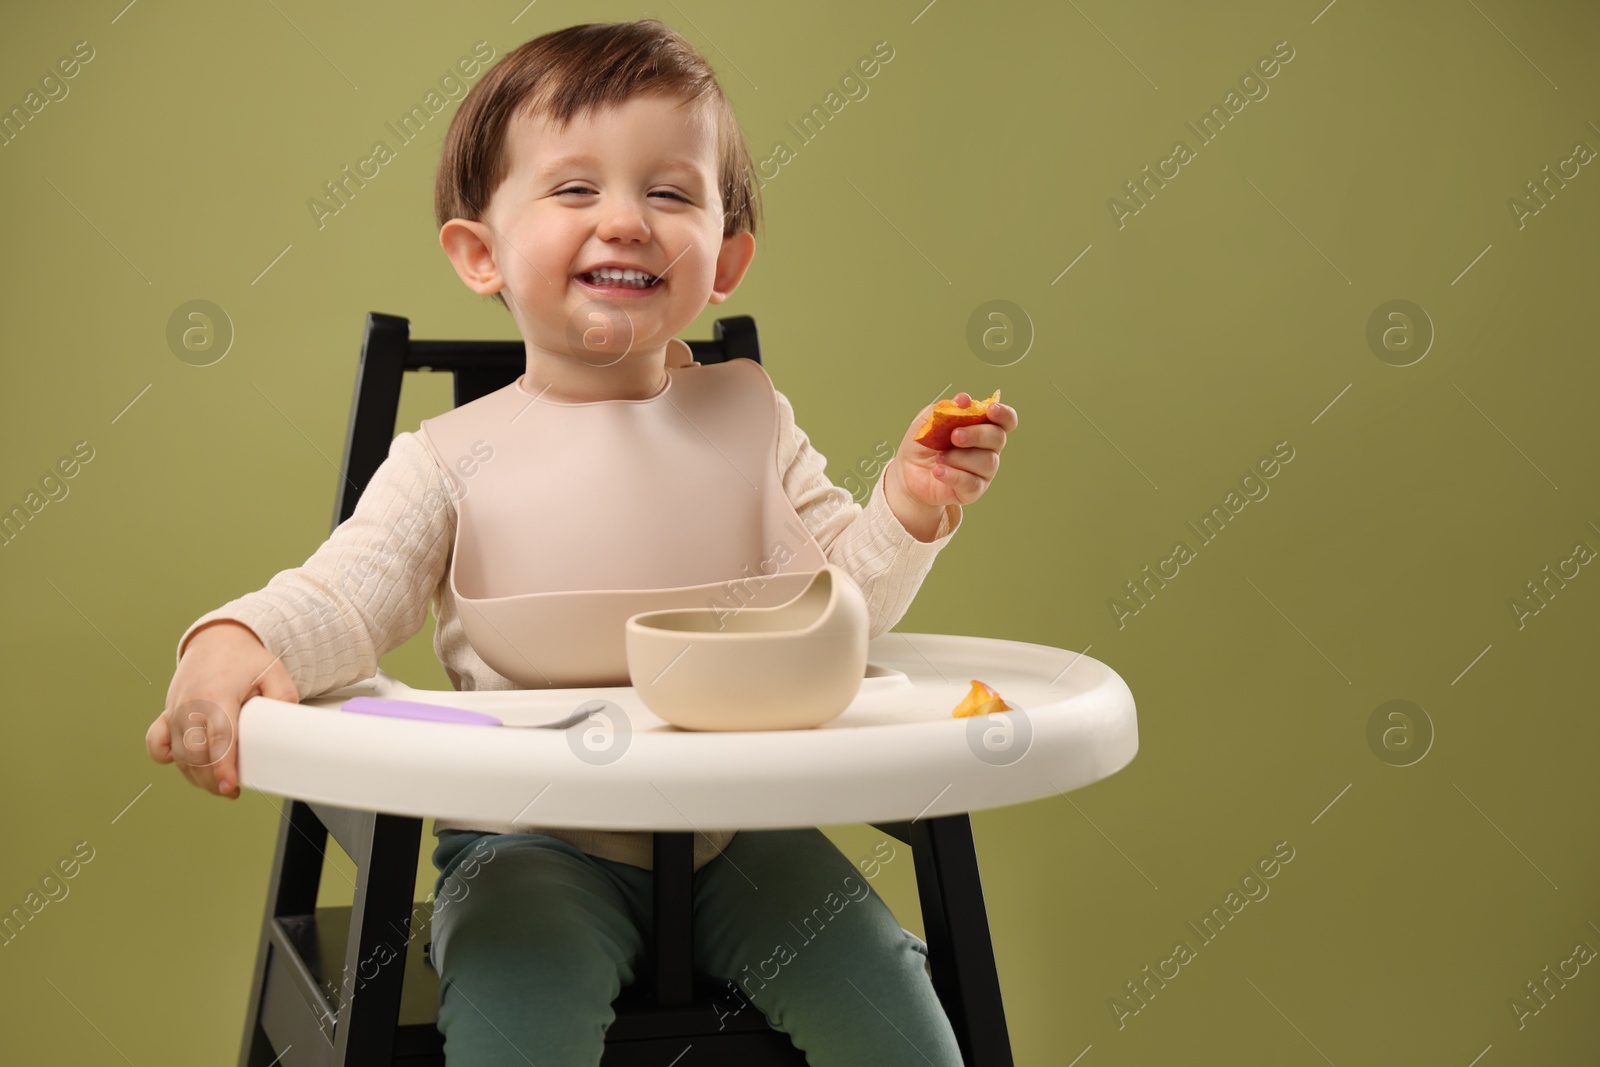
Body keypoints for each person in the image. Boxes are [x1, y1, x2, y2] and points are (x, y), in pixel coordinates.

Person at [145, 18, 1017, 1066]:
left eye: (669, 192)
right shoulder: (445, 459)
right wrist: (236, 637)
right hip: (529, 840)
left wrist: (908, 506)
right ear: (480, 252)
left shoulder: (756, 420)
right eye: (573, 191)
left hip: (741, 832)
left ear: (727, 258)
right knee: (523, 1021)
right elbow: (343, 599)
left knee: (897, 1014)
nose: (626, 221)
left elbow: (844, 612)